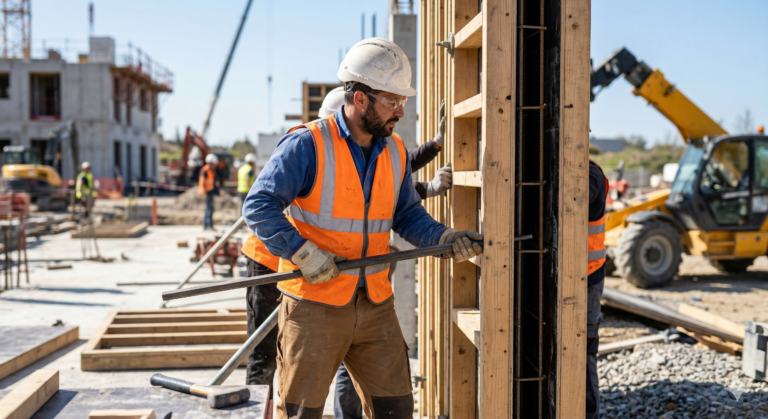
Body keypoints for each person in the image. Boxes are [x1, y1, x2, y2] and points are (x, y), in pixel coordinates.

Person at [243, 37, 482, 419]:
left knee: (396, 411)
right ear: (360, 100)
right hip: (314, 305)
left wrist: (444, 237)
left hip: (375, 304)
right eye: (393, 101)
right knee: (301, 413)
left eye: (403, 102)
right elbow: (258, 206)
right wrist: (303, 253)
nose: (401, 112)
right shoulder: (308, 144)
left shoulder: (395, 150)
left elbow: (406, 215)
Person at [586, 159, 608, 419]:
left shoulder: (589, 174)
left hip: (588, 274)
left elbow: (572, 201)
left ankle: (589, 414)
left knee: (585, 348)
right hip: (580, 271)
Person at [199, 154, 219, 231]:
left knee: (210, 209)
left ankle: (209, 225)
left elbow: (213, 182)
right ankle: (207, 225)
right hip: (207, 192)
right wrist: (205, 193)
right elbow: (203, 182)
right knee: (208, 209)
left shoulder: (211, 170)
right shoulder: (205, 170)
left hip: (210, 191)